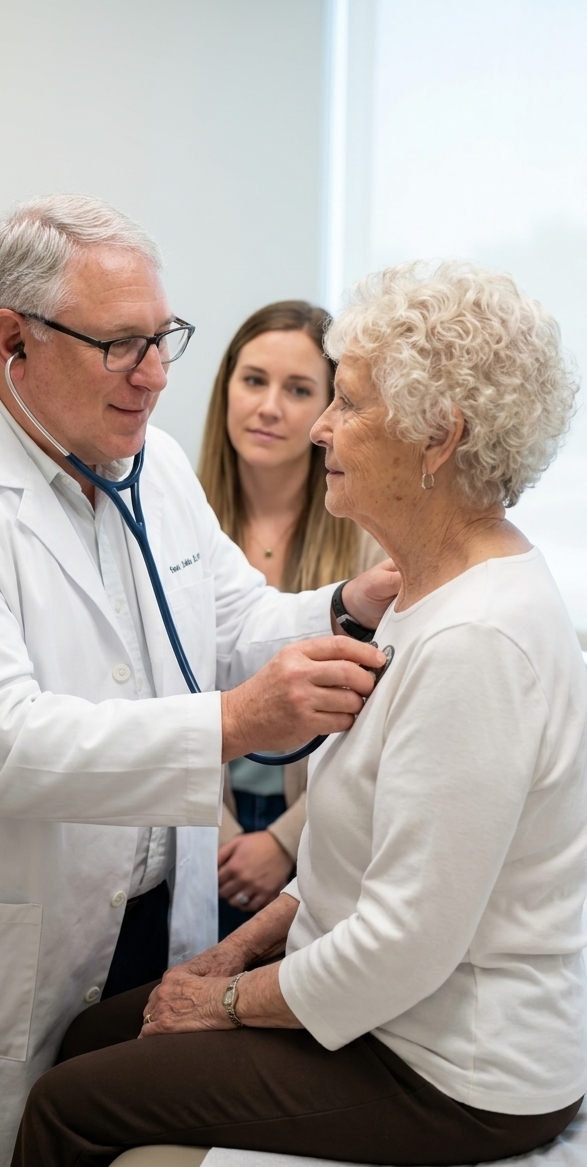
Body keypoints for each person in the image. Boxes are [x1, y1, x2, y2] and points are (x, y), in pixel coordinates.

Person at [0, 195, 396, 1167]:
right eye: (121, 345)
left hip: (146, 926)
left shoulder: (152, 467)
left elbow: (232, 625)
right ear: (12, 343)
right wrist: (235, 724)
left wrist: (347, 604)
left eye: (163, 339)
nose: (156, 373)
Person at [0, 260, 587, 1167]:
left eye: (345, 405)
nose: (318, 431)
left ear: (439, 436)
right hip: (397, 1010)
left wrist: (219, 1003)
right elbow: (358, 861)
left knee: (64, 1106)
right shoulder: (426, 593)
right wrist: (238, 949)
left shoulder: (480, 639)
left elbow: (403, 943)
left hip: (452, 1068)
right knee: (95, 1041)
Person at [197, 301, 384, 935]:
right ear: (226, 387)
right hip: (196, 823)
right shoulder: (176, 526)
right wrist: (218, 834)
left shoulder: (366, 542)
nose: (270, 406)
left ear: (331, 410)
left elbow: (374, 724)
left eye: (299, 389)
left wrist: (281, 842)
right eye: (253, 381)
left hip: (318, 825)